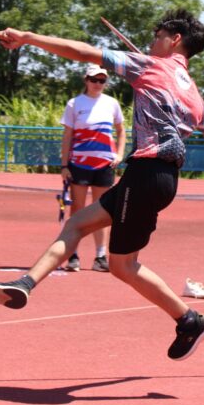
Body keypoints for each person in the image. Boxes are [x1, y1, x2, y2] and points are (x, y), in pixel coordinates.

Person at [0, 9, 204, 360]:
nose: (152, 41)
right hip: (159, 179)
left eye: (158, 35)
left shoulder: (150, 65)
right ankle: (24, 284)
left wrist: (29, 38)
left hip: (146, 174)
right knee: (78, 224)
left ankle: (190, 320)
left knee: (124, 265)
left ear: (175, 39)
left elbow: (83, 52)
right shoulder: (192, 92)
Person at [58, 65, 126, 273]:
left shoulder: (112, 103)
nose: (97, 84)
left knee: (101, 211)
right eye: (94, 80)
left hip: (104, 164)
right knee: (77, 209)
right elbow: (67, 136)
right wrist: (64, 165)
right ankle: (72, 255)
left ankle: (100, 256)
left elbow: (121, 130)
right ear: (86, 80)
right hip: (79, 164)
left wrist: (119, 154)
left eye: (101, 80)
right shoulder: (74, 103)